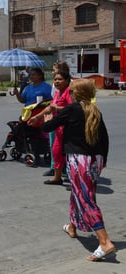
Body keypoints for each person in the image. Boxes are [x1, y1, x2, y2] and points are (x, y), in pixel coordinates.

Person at [41, 78, 115, 262]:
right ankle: (73, 226)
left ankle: (104, 241)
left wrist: (47, 119)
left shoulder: (72, 109)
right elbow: (104, 137)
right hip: (95, 159)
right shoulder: (94, 110)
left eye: (72, 91)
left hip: (79, 159)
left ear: (76, 94)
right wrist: (103, 159)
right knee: (78, 193)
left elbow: (48, 127)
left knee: (86, 198)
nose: (70, 93)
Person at [29, 70, 72, 185]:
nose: (57, 82)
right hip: (58, 127)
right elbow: (49, 108)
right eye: (55, 79)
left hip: (68, 128)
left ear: (67, 80)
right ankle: (57, 177)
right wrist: (36, 117)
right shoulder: (58, 93)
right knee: (56, 151)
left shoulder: (69, 92)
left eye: (60, 79)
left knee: (69, 154)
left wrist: (57, 108)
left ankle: (73, 179)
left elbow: (73, 108)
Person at [43, 61, 71, 177]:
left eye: (54, 70)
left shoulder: (70, 87)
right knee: (54, 146)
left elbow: (71, 107)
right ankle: (54, 168)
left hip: (64, 123)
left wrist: (57, 108)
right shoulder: (56, 85)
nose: (53, 72)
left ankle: (66, 171)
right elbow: (53, 101)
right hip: (55, 120)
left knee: (64, 148)